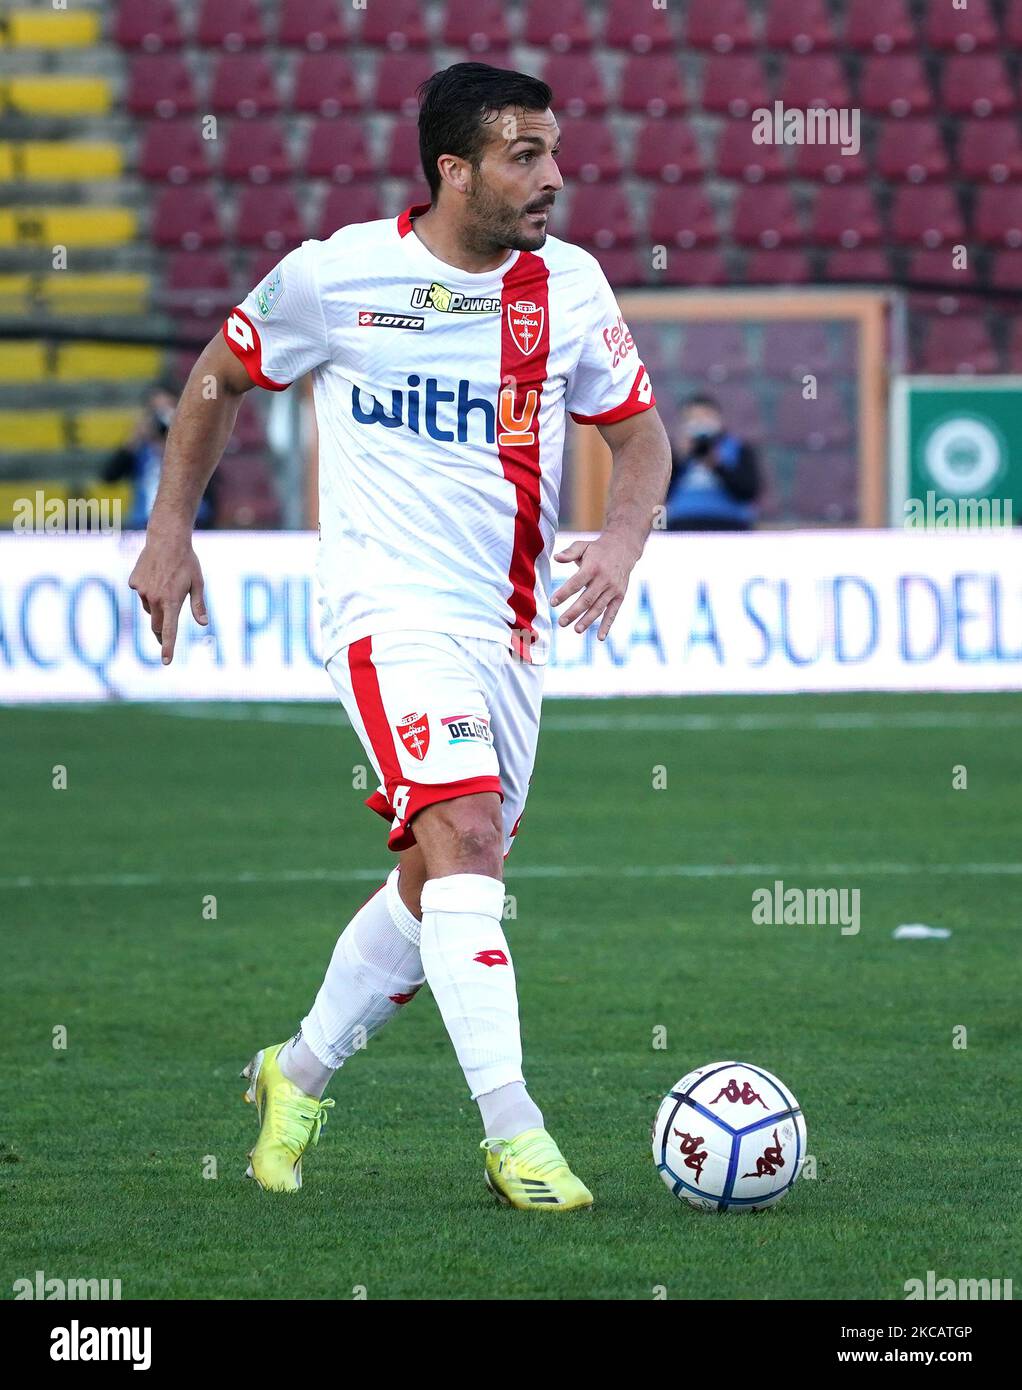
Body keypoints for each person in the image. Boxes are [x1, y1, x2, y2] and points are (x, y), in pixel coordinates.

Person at [128, 62, 670, 1211]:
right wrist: (170, 528)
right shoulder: (334, 277)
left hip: (512, 630)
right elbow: (220, 380)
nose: (553, 179)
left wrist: (621, 543)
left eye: (555, 152)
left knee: (443, 878)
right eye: (525, 155)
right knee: (466, 836)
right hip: (383, 613)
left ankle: (297, 1071)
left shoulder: (566, 286)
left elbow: (641, 440)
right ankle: (515, 1133)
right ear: (451, 169)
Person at [102, 385, 216, 530]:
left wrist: (178, 441)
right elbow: (109, 477)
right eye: (155, 411)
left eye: (166, 410)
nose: (161, 419)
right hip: (144, 524)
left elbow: (208, 480)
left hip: (191, 524)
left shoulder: (194, 443)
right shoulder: (140, 448)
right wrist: (132, 441)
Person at [664, 394, 760, 531]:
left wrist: (717, 465)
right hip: (681, 525)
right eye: (693, 419)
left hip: (729, 525)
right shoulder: (671, 452)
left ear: (719, 419)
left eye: (705, 417)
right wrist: (678, 460)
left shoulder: (739, 448)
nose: (700, 423)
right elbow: (660, 494)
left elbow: (749, 491)